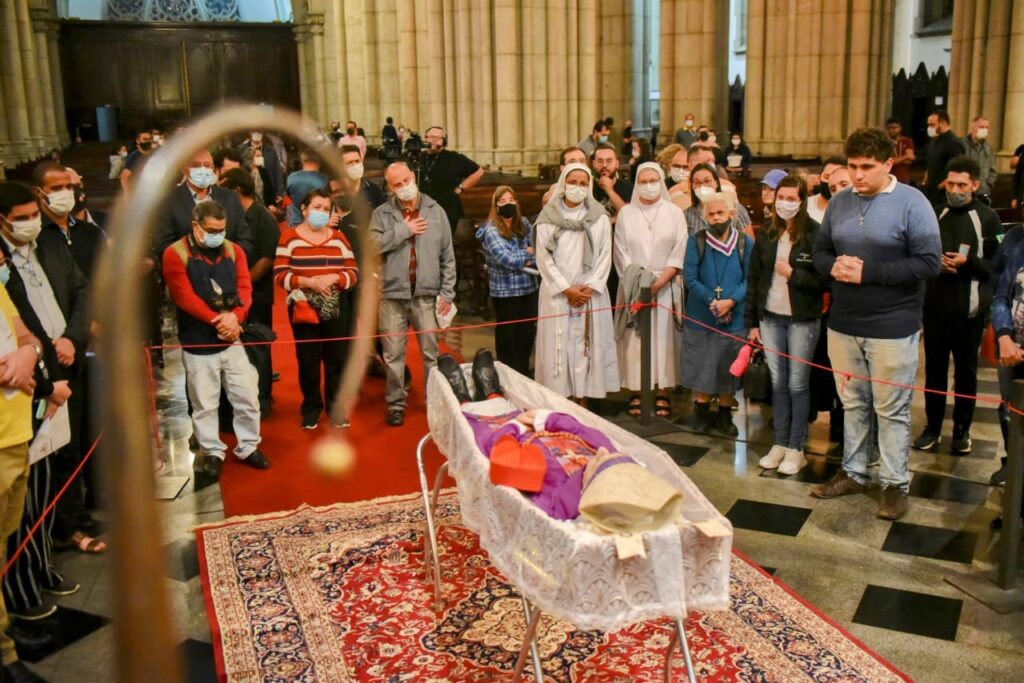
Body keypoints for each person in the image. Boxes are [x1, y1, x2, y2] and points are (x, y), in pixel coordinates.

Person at [811, 127, 941, 521]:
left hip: (892, 325)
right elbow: (819, 251)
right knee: (852, 403)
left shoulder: (912, 203)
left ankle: (894, 483)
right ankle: (853, 471)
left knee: (891, 408)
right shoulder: (840, 202)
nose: (857, 175)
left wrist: (869, 273)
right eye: (852, 166)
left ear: (888, 164)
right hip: (844, 323)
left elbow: (928, 263)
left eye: (867, 167)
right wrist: (831, 266)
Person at [162, 201, 270, 479]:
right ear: (196, 226)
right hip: (198, 341)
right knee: (204, 402)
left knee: (246, 395)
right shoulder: (175, 253)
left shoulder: (233, 251)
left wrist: (236, 317)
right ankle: (211, 451)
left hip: (232, 336)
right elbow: (184, 297)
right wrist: (218, 320)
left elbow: (245, 287)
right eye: (211, 230)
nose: (217, 235)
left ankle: (248, 445)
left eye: (222, 230)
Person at [913, 155, 1000, 454]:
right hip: (935, 308)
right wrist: (934, 264)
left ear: (974, 185)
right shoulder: (936, 214)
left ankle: (962, 430)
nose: (955, 189)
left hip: (970, 310)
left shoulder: (988, 218)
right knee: (934, 372)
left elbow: (995, 266)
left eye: (962, 184)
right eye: (951, 183)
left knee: (966, 372)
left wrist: (967, 263)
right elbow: (919, 255)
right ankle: (933, 427)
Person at [746, 174, 825, 475]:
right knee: (778, 384)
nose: (785, 204)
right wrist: (753, 322)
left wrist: (794, 274)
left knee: (797, 383)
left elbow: (823, 281)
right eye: (782, 198)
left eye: (792, 199)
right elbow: (755, 279)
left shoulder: (815, 235)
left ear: (802, 201)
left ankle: (796, 447)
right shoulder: (767, 233)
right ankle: (779, 442)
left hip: (802, 319)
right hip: (771, 318)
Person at [371, 162, 456, 426]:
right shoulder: (382, 214)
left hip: (426, 295)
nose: (403, 187)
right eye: (396, 184)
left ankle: (434, 400)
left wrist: (448, 291)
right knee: (394, 354)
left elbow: (448, 256)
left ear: (413, 177)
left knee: (431, 353)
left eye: (406, 180)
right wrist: (403, 231)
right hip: (392, 296)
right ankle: (396, 402)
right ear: (390, 187)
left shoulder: (435, 211)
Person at [274, 189, 359, 429]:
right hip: (303, 305)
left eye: (326, 209)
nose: (321, 212)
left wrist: (334, 277)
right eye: (317, 207)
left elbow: (353, 272)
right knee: (308, 359)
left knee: (336, 358)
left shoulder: (339, 238)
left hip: (335, 304)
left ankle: (335, 406)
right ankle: (311, 407)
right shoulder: (289, 238)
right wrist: (309, 281)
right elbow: (280, 274)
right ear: (304, 209)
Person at [0, 279, 50, 683]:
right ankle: (4, 654)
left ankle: (3, 630)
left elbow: (24, 333)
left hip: (14, 432)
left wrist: (29, 354)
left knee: (3, 542)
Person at [534, 163, 619, 401]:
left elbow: (605, 255)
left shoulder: (599, 217)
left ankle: (584, 401)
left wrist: (588, 287)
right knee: (557, 349)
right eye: (573, 182)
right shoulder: (548, 217)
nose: (577, 188)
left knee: (586, 347)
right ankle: (559, 402)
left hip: (589, 293)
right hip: (558, 293)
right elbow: (543, 257)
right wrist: (567, 289)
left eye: (583, 183)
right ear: (563, 183)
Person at [613, 162, 687, 417]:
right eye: (643, 181)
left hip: (664, 285)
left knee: (664, 340)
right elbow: (620, 252)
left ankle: (663, 390)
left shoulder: (674, 213)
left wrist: (659, 282)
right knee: (635, 341)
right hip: (633, 286)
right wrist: (637, 283)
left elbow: (679, 251)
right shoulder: (626, 214)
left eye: (653, 180)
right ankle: (637, 390)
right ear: (636, 184)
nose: (648, 185)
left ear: (661, 181)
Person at [681, 191, 752, 436]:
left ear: (732, 214)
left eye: (720, 212)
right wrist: (713, 300)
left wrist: (731, 301)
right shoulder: (696, 241)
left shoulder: (744, 243)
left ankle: (724, 415)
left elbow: (749, 278)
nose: (715, 218)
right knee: (702, 363)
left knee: (727, 365)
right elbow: (689, 277)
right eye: (710, 214)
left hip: (734, 317)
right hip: (702, 315)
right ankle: (700, 412)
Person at [219, 168, 281, 415]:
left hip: (257, 293)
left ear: (235, 190)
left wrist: (242, 287)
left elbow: (266, 260)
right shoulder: (232, 217)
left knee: (259, 348)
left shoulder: (263, 217)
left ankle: (263, 399)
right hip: (235, 297)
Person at [475, 186, 538, 376]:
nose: (508, 204)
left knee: (526, 335)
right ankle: (507, 374)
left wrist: (530, 254)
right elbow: (507, 260)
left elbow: (538, 251)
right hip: (506, 291)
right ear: (496, 206)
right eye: (502, 201)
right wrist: (527, 254)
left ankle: (523, 372)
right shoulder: (491, 230)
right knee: (508, 337)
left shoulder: (524, 224)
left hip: (529, 288)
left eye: (511, 199)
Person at [153, 148, 251, 259]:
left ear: (213, 169)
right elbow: (163, 244)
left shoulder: (230, 198)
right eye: (196, 165)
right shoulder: (168, 201)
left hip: (227, 270)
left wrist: (229, 263)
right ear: (185, 169)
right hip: (186, 271)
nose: (202, 169)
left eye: (207, 165)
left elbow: (244, 238)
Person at [988, 224, 1024, 488]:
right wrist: (1003, 335)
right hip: (1012, 346)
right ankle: (1013, 470)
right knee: (1009, 410)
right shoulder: (1016, 238)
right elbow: (1001, 292)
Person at [417, 126, 483, 234]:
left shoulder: (454, 158)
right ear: (425, 138)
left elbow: (479, 172)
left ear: (444, 140)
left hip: (447, 210)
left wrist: (461, 187)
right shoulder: (418, 157)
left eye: (438, 137)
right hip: (422, 210)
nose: (434, 140)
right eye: (431, 137)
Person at [684, 163, 752, 236]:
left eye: (707, 181)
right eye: (697, 182)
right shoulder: (687, 214)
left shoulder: (737, 209)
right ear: (692, 186)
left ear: (716, 183)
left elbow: (749, 242)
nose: (702, 186)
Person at [922, 110, 965, 203]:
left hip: (943, 194)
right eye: (928, 125)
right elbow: (930, 164)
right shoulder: (934, 140)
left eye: (932, 125)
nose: (929, 128)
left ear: (943, 123)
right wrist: (924, 183)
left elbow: (957, 170)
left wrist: (938, 188)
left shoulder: (953, 143)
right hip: (930, 192)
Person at [285, 151, 330, 226]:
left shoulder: (291, 178)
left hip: (296, 221)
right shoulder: (325, 180)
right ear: (319, 162)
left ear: (302, 161)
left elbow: (288, 195)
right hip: (318, 222)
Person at [239, 131, 284, 205]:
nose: (257, 133)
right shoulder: (241, 150)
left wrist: (279, 193)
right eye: (254, 130)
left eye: (259, 130)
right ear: (250, 132)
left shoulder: (271, 152)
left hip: (267, 194)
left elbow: (277, 173)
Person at [960, 116, 997, 203]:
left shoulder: (988, 147)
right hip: (965, 192)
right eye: (981, 127)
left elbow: (993, 169)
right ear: (973, 127)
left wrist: (989, 184)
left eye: (987, 127)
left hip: (983, 192)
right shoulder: (962, 144)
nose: (985, 130)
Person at [339, 144, 387, 210]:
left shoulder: (374, 191)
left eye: (357, 161)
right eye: (350, 163)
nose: (354, 165)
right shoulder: (335, 191)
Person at [591, 144, 632, 220]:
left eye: (609, 161)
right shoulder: (588, 188)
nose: (604, 165)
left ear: (617, 163)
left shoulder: (629, 188)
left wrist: (610, 191)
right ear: (593, 163)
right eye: (600, 161)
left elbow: (628, 217)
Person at [806, 156, 847, 223]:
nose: (831, 182)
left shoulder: (856, 210)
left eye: (843, 183)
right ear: (819, 179)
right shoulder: (804, 206)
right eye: (827, 177)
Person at [885, 119, 915, 184]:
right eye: (889, 128)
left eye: (894, 128)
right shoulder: (884, 142)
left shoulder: (907, 141)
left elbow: (911, 159)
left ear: (900, 128)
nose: (892, 130)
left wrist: (895, 160)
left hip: (903, 178)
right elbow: (888, 161)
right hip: (888, 178)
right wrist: (906, 156)